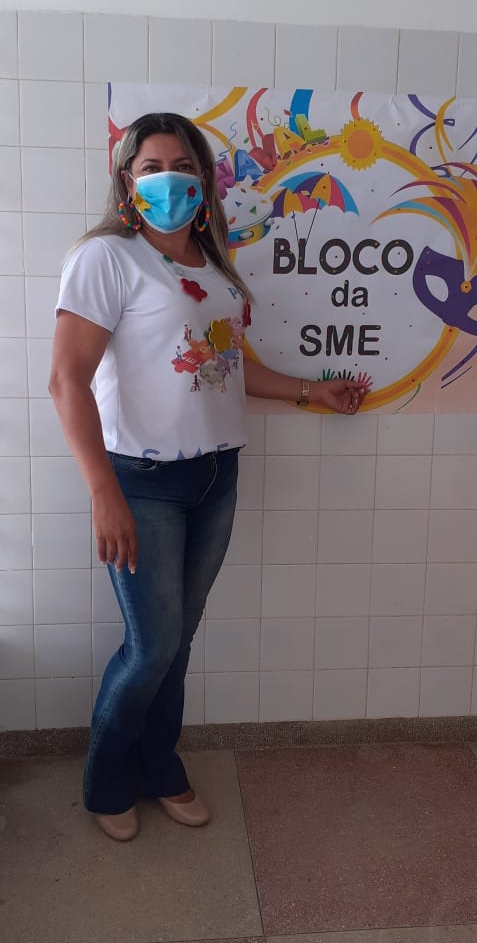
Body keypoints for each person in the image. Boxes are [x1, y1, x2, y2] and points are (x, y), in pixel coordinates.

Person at [49, 112, 367, 842]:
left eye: (183, 166)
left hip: (215, 475)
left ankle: (160, 767)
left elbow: (226, 363)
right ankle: (107, 783)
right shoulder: (106, 258)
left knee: (179, 639)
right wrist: (103, 492)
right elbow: (67, 381)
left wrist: (308, 391)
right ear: (127, 182)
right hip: (142, 481)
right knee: (150, 647)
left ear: (204, 182)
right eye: (152, 167)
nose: (169, 179)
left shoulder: (213, 263)